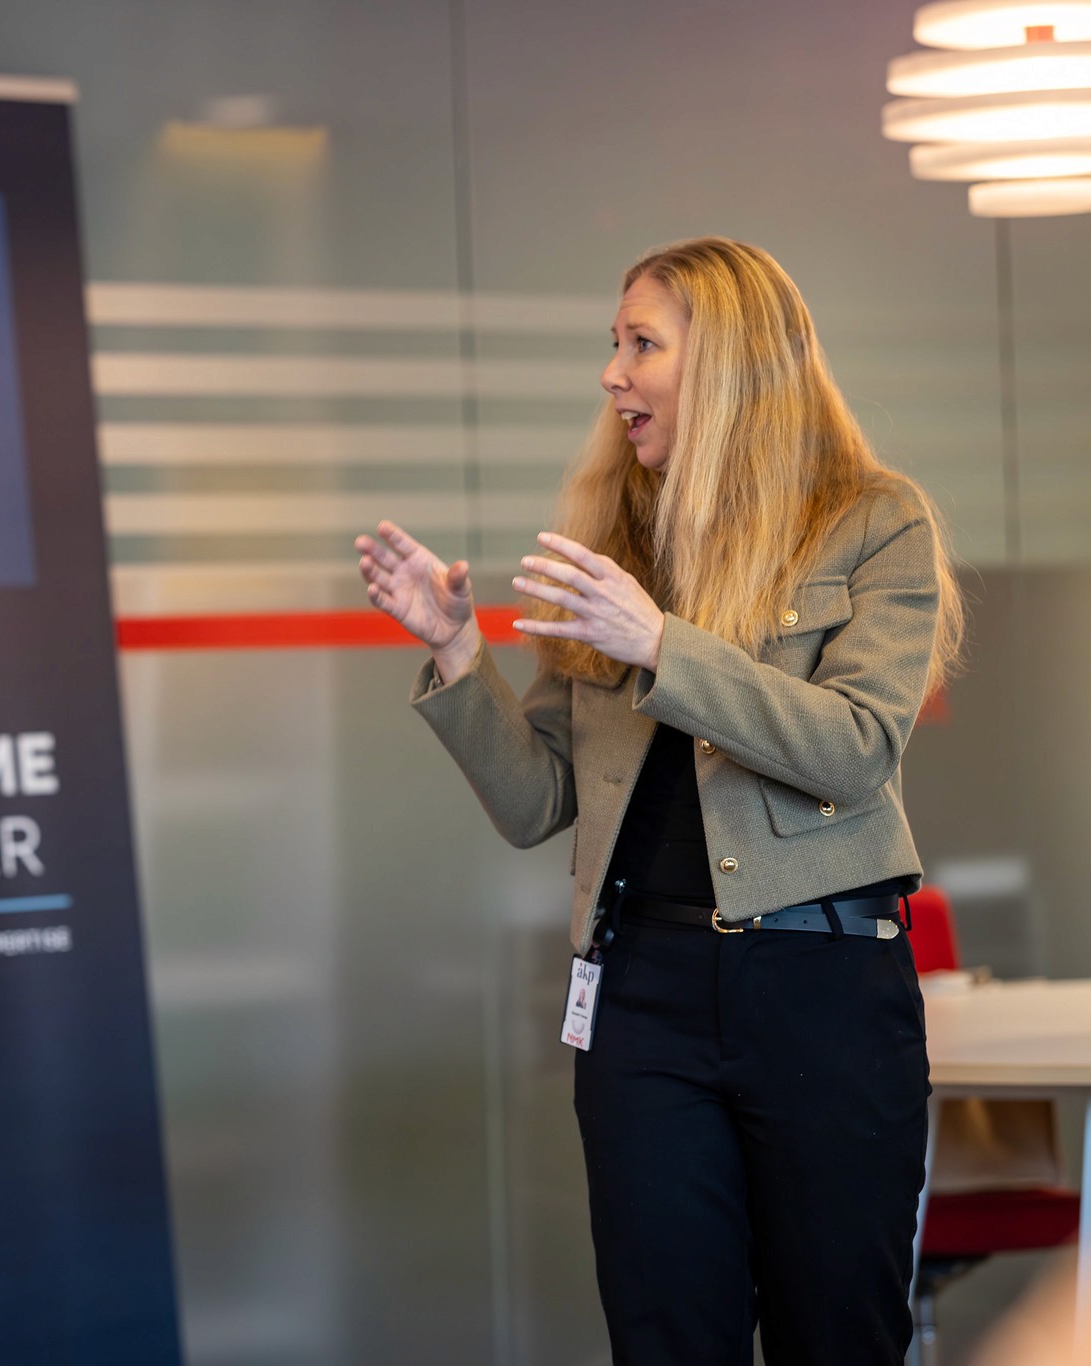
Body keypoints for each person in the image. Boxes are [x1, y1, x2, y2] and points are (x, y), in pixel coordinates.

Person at [357, 236, 963, 1366]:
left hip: (821, 993)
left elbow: (853, 748)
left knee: (837, 1336)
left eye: (641, 344)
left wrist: (659, 644)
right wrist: (454, 651)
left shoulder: (874, 524)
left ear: (725, 363)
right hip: (639, 1004)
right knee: (662, 1339)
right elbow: (538, 797)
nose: (611, 374)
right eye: (612, 344)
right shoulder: (615, 544)